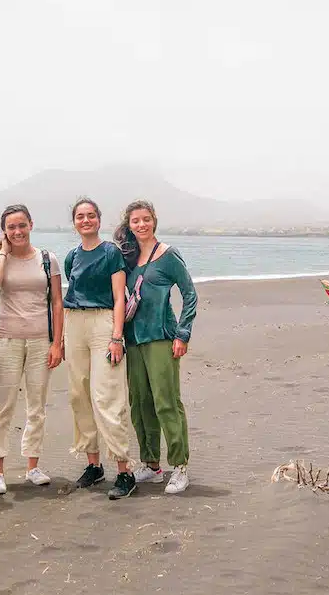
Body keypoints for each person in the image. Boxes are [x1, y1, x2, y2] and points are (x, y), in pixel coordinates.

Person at [114, 200, 198, 494]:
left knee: (166, 402)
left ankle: (180, 466)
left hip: (161, 337)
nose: (141, 225)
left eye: (146, 219)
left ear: (154, 221)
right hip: (133, 339)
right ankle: (151, 466)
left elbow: (190, 294)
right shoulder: (127, 257)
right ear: (129, 224)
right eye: (135, 220)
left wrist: (182, 334)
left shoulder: (168, 255)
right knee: (140, 403)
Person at [0, 204, 65, 494]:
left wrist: (57, 343)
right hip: (6, 340)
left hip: (41, 341)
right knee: (2, 407)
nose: (17, 231)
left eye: (22, 225)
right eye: (11, 227)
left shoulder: (48, 259)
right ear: (4, 231)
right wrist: (4, 253)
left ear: (31, 224)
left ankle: (32, 467)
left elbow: (57, 302)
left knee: (36, 407)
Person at [63, 198, 137, 500]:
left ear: (99, 219)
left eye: (91, 215)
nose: (86, 220)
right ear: (74, 222)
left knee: (107, 395)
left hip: (104, 323)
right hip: (74, 323)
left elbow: (120, 297)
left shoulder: (110, 253)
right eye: (80, 216)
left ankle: (124, 470)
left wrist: (117, 337)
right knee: (79, 394)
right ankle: (94, 465)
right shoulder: (72, 256)